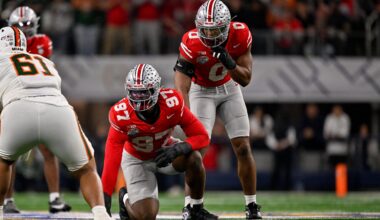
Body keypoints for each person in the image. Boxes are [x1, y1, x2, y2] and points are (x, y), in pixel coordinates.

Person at [0, 26, 111, 220]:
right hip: (58, 109)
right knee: (86, 169)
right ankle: (101, 213)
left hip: (18, 109)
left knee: (3, 161)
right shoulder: (44, 61)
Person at [173, 0, 262, 219]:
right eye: (206, 29)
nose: (210, 34)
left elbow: (246, 78)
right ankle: (191, 205)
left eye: (215, 29)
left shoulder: (240, 34)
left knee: (243, 147)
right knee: (196, 150)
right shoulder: (191, 41)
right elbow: (182, 81)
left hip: (229, 88)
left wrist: (229, 63)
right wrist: (185, 112)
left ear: (227, 25)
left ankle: (251, 205)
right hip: (201, 91)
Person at [101, 64, 218, 220]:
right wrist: (105, 196)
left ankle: (195, 209)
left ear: (156, 89)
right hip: (136, 160)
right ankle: (125, 198)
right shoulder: (121, 114)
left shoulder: (172, 103)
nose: (139, 98)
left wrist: (178, 149)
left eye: (143, 92)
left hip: (165, 151)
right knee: (147, 215)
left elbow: (201, 136)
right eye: (134, 93)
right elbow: (111, 158)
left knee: (194, 158)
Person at [5, 6, 71, 213]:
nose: (24, 30)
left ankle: (54, 198)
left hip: (39, 98)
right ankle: (7, 200)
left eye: (27, 25)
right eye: (19, 26)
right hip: (14, 99)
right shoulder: (4, 44)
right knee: (9, 153)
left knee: (48, 150)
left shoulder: (42, 42)